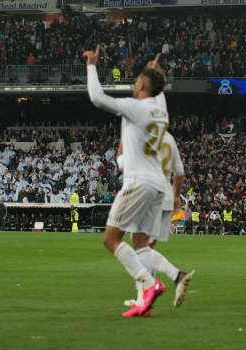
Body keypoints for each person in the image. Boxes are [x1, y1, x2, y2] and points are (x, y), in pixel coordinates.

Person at [84, 46, 169, 317]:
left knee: (110, 239)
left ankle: (148, 283)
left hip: (139, 182)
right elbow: (158, 91)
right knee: (140, 242)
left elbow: (97, 98)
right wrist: (153, 71)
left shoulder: (137, 108)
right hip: (158, 185)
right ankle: (144, 303)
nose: (134, 83)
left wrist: (92, 66)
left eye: (138, 80)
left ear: (143, 84)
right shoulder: (160, 109)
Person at [119, 132, 194, 309]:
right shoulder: (167, 137)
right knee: (146, 249)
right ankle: (144, 297)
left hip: (148, 195)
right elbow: (180, 172)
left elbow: (122, 163)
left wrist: (123, 138)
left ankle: (174, 276)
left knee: (139, 248)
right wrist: (176, 197)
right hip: (166, 195)